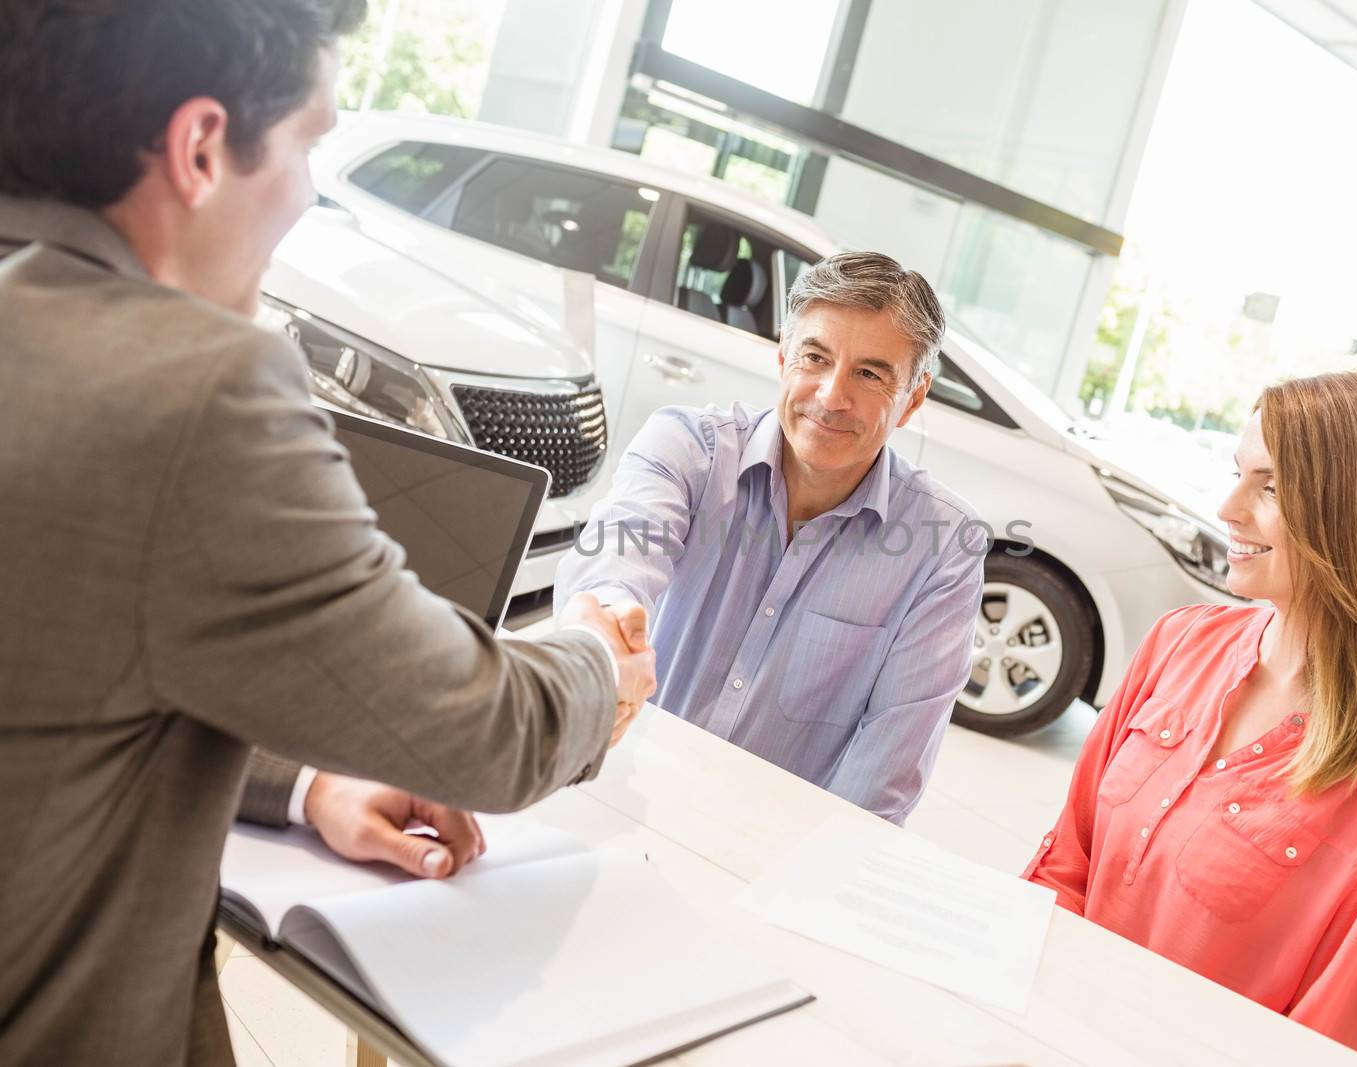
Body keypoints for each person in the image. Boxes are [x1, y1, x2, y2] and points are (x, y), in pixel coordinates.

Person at [0, 2, 654, 1063]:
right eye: (308, 143)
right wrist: (595, 653)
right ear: (200, 146)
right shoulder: (194, 392)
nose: (310, 192)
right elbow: (491, 728)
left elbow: (62, 678)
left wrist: (302, 784)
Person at [1023, 369, 1357, 1058]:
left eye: (1272, 487)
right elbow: (1063, 866)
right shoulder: (1178, 643)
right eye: (1237, 473)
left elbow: (1321, 1047)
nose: (1228, 507)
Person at [555, 252, 986, 824]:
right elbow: (620, 552)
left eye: (870, 373)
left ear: (912, 398)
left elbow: (885, 773)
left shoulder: (943, 549)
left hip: (766, 851)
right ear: (783, 358)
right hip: (615, 793)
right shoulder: (687, 449)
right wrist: (606, 627)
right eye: (815, 357)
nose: (832, 396)